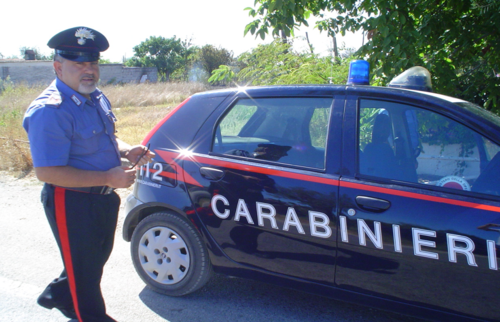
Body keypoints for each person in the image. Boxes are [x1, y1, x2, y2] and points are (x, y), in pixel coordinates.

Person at [22, 26, 154, 322]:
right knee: (85, 276)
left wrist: (125, 151)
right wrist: (109, 178)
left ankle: (58, 294)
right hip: (71, 201)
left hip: (103, 198)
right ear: (58, 67)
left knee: (93, 261)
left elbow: (103, 138)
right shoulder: (50, 111)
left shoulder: (94, 97)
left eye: (92, 63)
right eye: (78, 63)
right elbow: (48, 172)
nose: (88, 70)